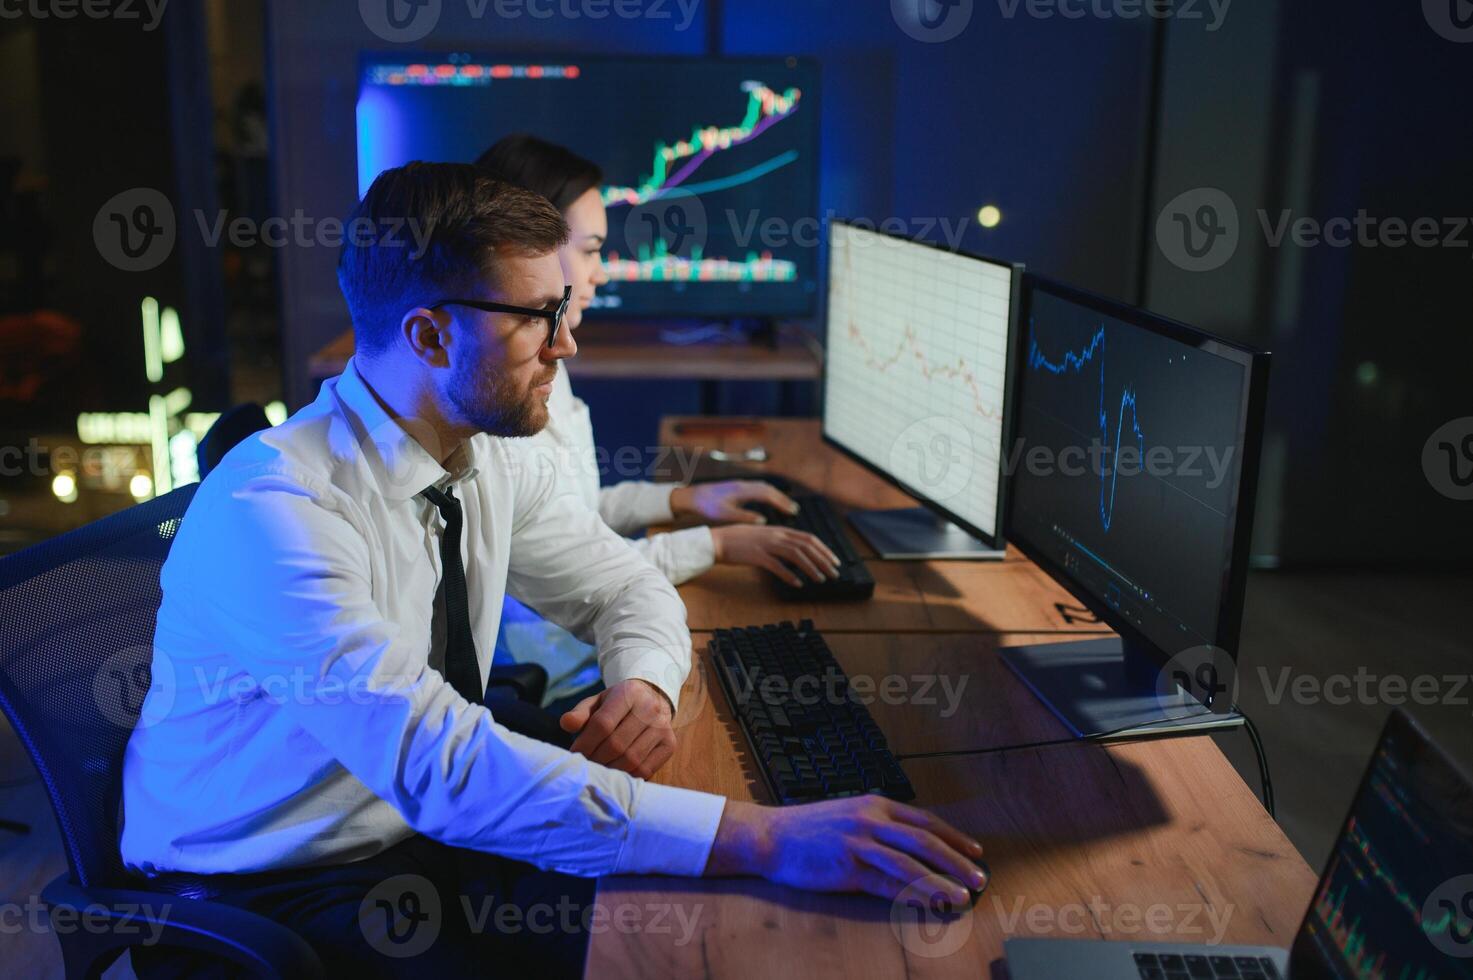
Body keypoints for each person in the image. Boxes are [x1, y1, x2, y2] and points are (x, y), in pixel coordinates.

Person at [119, 163, 987, 976]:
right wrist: (762, 837)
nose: (566, 343)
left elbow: (625, 585)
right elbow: (440, 769)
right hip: (268, 887)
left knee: (710, 911)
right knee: (683, 929)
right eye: (538, 314)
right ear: (428, 334)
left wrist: (642, 686)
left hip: (411, 828)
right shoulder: (275, 510)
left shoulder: (478, 454)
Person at [478, 134, 840, 706]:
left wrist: (682, 502)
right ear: (529, 248)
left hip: (591, 645)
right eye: (593, 249)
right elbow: (579, 567)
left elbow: (567, 511)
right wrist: (717, 544)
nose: (601, 273)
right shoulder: (497, 401)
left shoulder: (548, 357)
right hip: (560, 669)